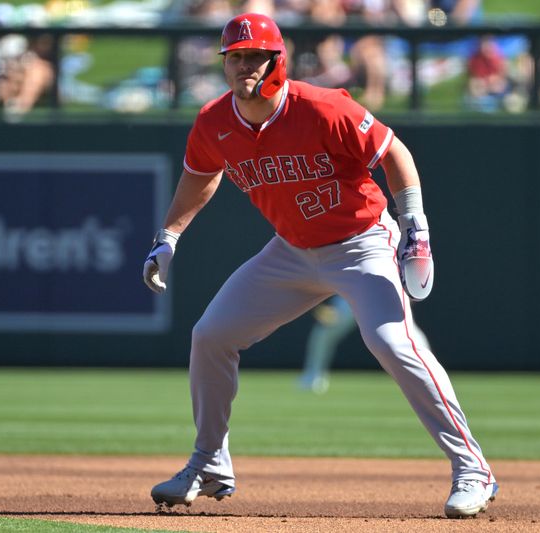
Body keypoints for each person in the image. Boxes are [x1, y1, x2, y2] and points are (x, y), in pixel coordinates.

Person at [142, 12, 497, 519]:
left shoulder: (322, 106)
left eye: (254, 56)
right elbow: (202, 174)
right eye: (235, 56)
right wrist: (169, 236)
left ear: (277, 61)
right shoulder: (215, 121)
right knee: (211, 335)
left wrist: (414, 223)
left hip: (362, 242)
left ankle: (473, 468)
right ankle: (209, 463)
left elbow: (394, 153)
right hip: (290, 251)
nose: (243, 65)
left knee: (393, 342)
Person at [299, 294, 431, 394]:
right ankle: (313, 376)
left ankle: (429, 376)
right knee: (324, 332)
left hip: (384, 292)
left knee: (410, 333)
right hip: (350, 294)